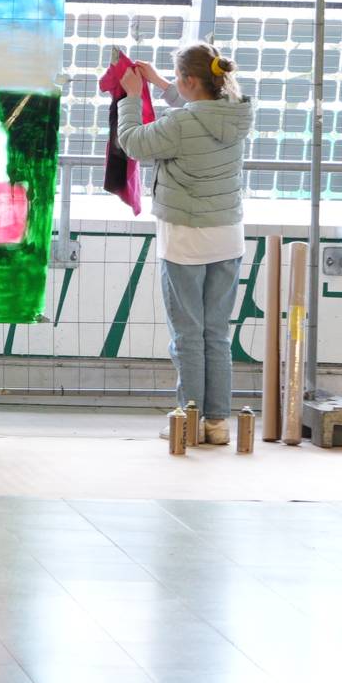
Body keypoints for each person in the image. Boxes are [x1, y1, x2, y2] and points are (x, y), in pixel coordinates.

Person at [117, 42, 254, 448]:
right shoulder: (237, 114)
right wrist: (161, 84)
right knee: (217, 334)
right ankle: (217, 423)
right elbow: (202, 112)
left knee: (187, 336)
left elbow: (134, 143)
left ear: (191, 81)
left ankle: (189, 420)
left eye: (177, 79)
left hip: (185, 240)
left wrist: (129, 97)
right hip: (228, 237)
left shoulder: (179, 125)